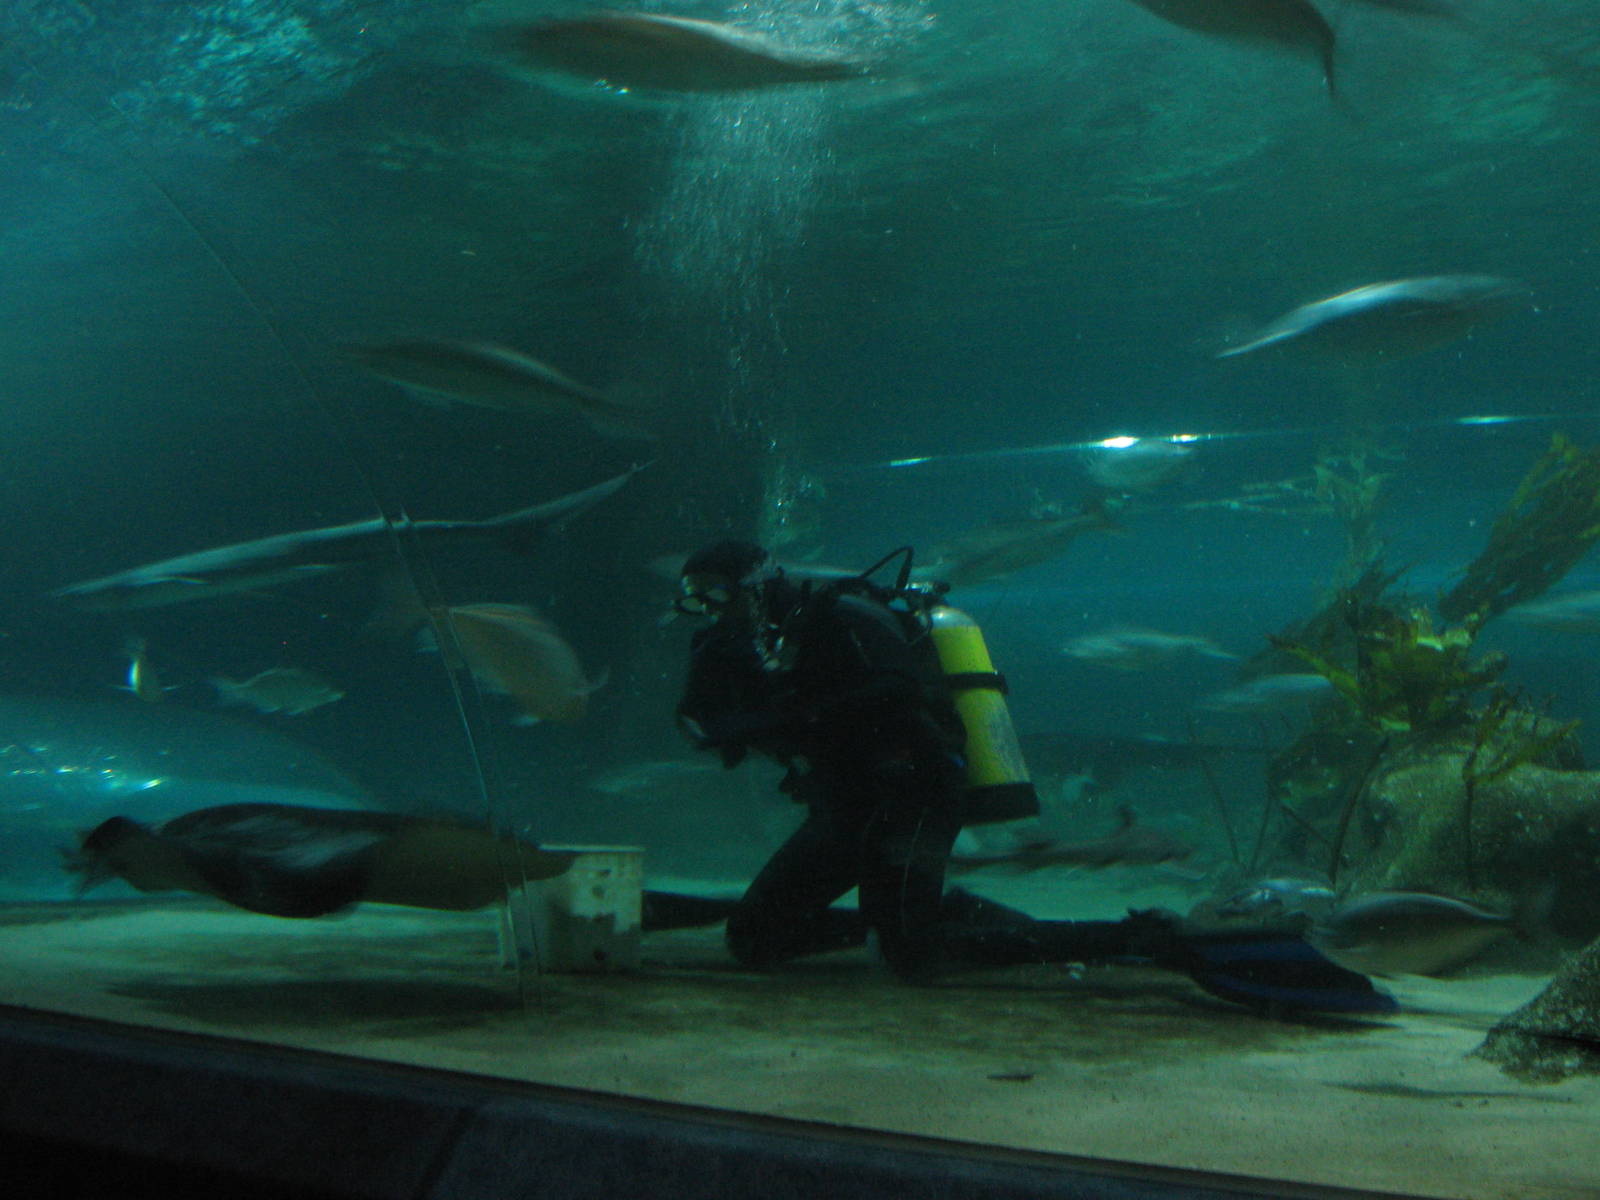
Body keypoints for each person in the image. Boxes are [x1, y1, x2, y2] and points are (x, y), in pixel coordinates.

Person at [657, 538, 1393, 1015]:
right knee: (756, 937)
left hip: (913, 793)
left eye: (716, 595)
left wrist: (784, 717)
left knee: (916, 960)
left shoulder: (840, 616)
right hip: (848, 808)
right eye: (698, 602)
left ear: (753, 582)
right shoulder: (769, 643)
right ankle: (935, 913)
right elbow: (729, 721)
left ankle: (1141, 940)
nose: (709, 613)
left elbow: (894, 695)